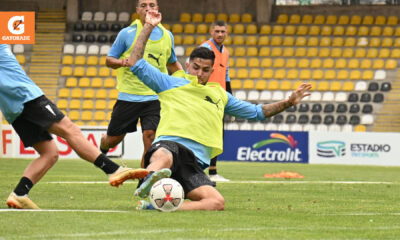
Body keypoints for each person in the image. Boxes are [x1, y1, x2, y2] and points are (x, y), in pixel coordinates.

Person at [126, 11, 311, 210]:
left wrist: (289, 102)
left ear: (212, 71)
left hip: (194, 163)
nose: (200, 74)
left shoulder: (220, 95)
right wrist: (148, 27)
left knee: (216, 203)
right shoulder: (170, 82)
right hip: (171, 146)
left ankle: (157, 207)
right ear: (187, 65)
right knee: (165, 155)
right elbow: (135, 62)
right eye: (196, 67)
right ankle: (149, 177)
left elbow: (258, 112)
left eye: (206, 70)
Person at [0, 44, 148, 209]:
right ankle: (113, 170)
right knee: (70, 130)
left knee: (49, 153)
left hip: (11, 108)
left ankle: (20, 193)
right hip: (25, 96)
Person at [100, 0, 183, 168]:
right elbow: (109, 60)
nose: (148, 8)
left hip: (155, 96)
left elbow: (173, 63)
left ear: (157, 9)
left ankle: (145, 178)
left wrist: (185, 82)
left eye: (152, 5)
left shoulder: (167, 35)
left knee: (150, 136)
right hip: (129, 96)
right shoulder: (127, 33)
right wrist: (123, 62)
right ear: (137, 10)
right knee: (113, 139)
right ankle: (103, 145)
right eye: (143, 5)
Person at [200, 20, 231, 182]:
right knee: (203, 134)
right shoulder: (205, 48)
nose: (220, 34)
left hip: (219, 99)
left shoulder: (225, 52)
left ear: (227, 33)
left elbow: (226, 77)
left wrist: (229, 100)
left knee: (218, 135)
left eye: (222, 31)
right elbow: (194, 71)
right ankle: (198, 170)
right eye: (217, 31)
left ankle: (213, 171)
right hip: (205, 97)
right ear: (211, 32)